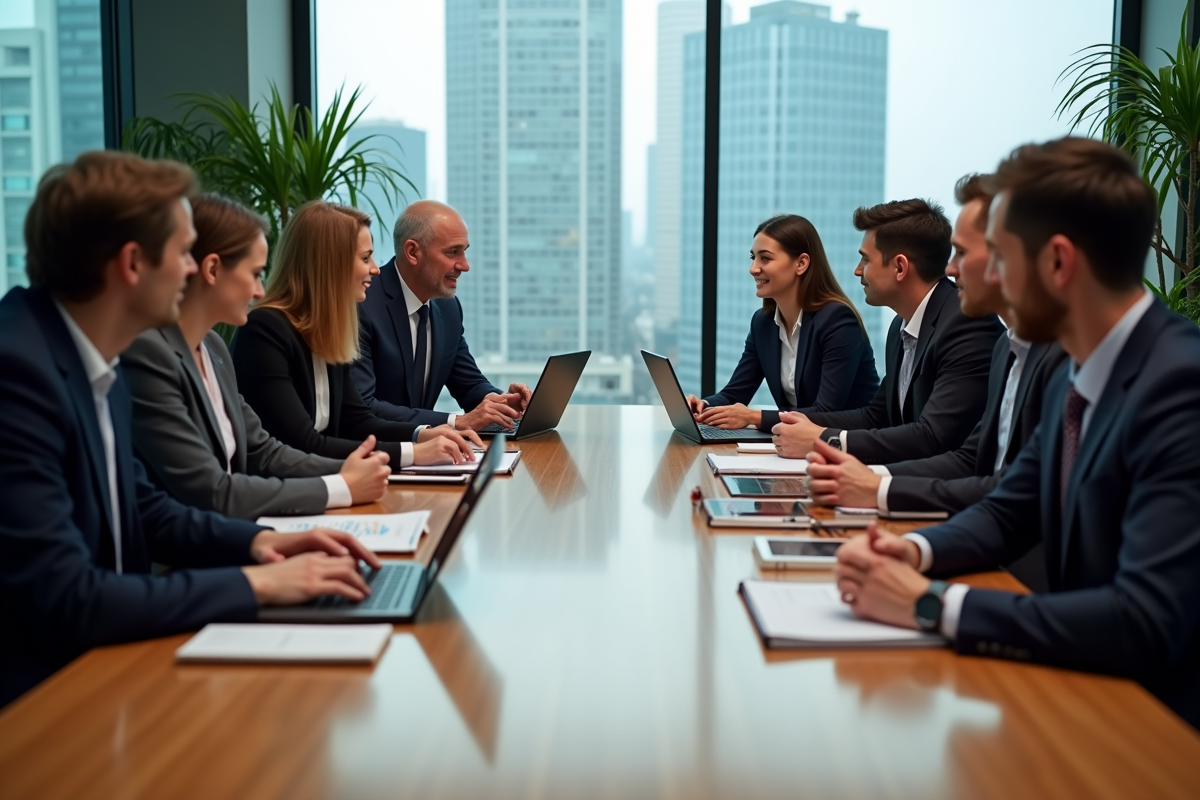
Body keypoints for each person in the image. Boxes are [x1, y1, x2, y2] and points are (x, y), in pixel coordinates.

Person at [832, 137, 1200, 730]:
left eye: (997, 256)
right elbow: (1011, 508)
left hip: (1159, 733)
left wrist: (932, 604)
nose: (974, 277)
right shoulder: (1077, 373)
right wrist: (913, 550)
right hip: (1082, 692)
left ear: (1057, 262)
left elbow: (1144, 620)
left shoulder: (1179, 386)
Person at [0, 152, 382, 707]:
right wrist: (256, 584)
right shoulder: (20, 373)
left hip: (107, 656)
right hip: (42, 697)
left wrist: (263, 543)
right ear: (133, 263)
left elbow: (144, 507)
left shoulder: (84, 355)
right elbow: (68, 597)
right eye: (182, 252)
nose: (191, 268)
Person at [805, 175, 1067, 515]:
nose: (951, 268)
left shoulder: (969, 323)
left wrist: (862, 472)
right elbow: (969, 459)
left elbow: (937, 440)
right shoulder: (1003, 346)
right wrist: (870, 482)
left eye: (962, 252)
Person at [124, 193, 392, 520]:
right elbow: (212, 491)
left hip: (230, 535)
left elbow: (263, 451)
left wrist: (351, 472)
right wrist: (341, 486)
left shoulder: (212, 347)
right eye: (254, 274)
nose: (260, 292)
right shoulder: (149, 353)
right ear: (211, 269)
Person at [231, 201, 482, 468]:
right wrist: (413, 453)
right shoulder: (265, 330)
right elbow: (303, 443)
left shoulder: (326, 329)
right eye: (365, 258)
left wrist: (421, 434)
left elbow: (357, 420)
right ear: (328, 263)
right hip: (283, 495)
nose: (375, 268)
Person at [771, 199, 1004, 464]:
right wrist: (792, 422)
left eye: (865, 259)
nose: (858, 270)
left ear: (900, 267)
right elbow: (876, 416)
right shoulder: (900, 326)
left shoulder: (965, 322)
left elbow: (933, 437)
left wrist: (824, 439)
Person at [684, 214, 879, 430]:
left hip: (851, 447)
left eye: (765, 258)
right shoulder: (763, 323)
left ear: (801, 263)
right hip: (797, 444)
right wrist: (705, 406)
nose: (753, 269)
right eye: (753, 258)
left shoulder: (837, 320)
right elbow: (735, 394)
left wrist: (755, 417)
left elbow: (827, 411)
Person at [353, 200, 531, 431]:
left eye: (464, 252)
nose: (465, 266)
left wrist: (504, 403)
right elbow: (363, 406)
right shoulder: (362, 304)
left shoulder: (448, 309)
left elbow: (469, 386)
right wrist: (456, 422)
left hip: (425, 455)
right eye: (452, 252)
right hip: (373, 454)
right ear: (413, 252)